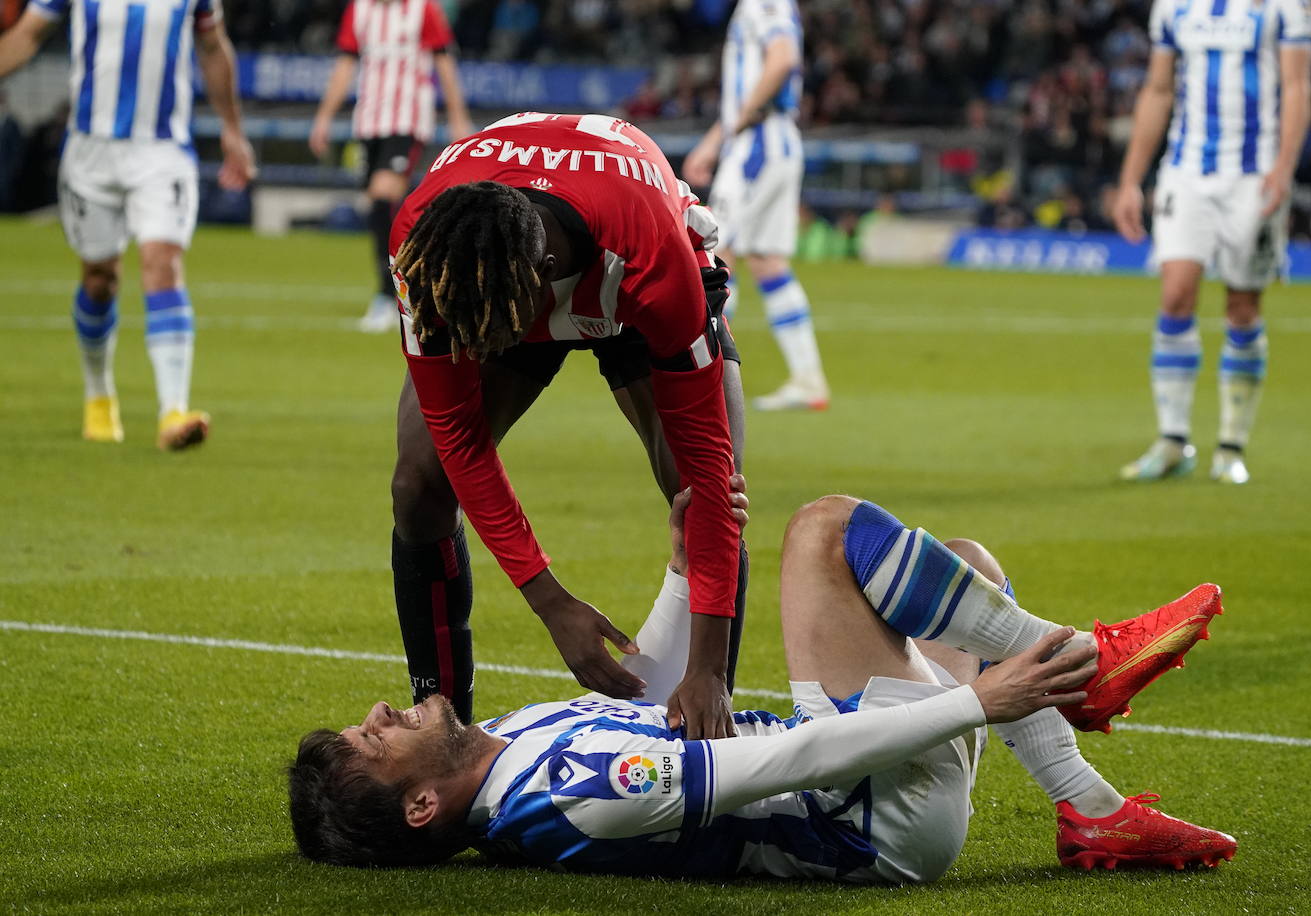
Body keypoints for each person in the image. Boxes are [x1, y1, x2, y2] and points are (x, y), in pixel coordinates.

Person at [288, 482, 1237, 878]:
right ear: (420, 807)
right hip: (865, 812)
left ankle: (1089, 808)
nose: (379, 711)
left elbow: (655, 689)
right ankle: (1083, 661)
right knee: (825, 529)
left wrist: (677, 564)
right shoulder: (568, 800)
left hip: (868, 780)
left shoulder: (507, 741)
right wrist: (977, 703)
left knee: (963, 567)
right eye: (375, 740)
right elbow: (780, 763)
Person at [384, 112, 748, 742]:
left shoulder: (653, 259)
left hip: (629, 283)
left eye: (483, 329)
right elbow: (459, 439)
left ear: (546, 275)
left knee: (699, 498)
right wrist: (550, 602)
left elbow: (713, 483)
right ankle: (442, 731)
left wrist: (708, 669)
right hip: (505, 277)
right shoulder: (428, 249)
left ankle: (704, 726)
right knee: (418, 485)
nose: (469, 346)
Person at [0, 0, 255, 449]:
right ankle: (99, 395)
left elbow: (213, 47)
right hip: (90, 153)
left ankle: (173, 411)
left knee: (162, 262)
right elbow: (28, 35)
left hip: (161, 152)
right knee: (99, 280)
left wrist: (232, 128)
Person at [1112, 0, 1311, 484]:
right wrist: (1130, 180)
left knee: (1242, 306)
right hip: (1185, 172)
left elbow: (1296, 85)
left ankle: (1230, 447)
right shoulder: (1173, 7)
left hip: (1254, 174)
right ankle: (1172, 441)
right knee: (1175, 294)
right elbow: (1159, 90)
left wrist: (1284, 167)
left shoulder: (1286, 7)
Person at [683, 0, 829, 411]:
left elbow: (782, 58)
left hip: (759, 145)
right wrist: (714, 144)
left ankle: (706, 382)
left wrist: (745, 117)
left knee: (713, 256)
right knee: (766, 260)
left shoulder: (764, 3)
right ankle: (808, 378)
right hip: (772, 140)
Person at [309, 0, 472, 332]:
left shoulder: (421, 9)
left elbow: (444, 62)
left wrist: (458, 118)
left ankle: (388, 295)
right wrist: (324, 117)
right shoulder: (360, 10)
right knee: (381, 208)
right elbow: (345, 64)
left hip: (407, 119)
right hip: (368, 122)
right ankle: (417, 281)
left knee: (383, 197)